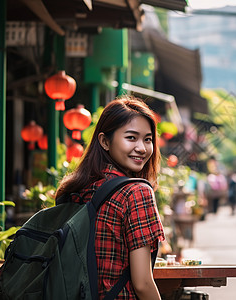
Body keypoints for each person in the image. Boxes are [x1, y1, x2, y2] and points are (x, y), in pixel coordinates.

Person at [55, 96, 165, 299]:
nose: (141, 148)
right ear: (105, 141)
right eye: (131, 138)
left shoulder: (77, 188)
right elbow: (142, 283)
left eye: (147, 139)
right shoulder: (136, 192)